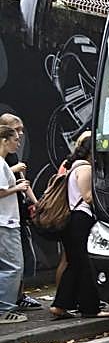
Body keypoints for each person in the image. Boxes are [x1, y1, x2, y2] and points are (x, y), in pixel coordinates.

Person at [48, 134, 109, 320]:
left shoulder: (72, 165)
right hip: (81, 218)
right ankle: (89, 308)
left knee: (74, 265)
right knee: (85, 265)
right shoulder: (85, 168)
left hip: (71, 220)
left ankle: (61, 305)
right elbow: (88, 197)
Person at [0, 113, 41, 310]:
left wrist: (35, 202)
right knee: (13, 265)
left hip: (15, 214)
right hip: (6, 219)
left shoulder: (11, 156)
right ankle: (7, 306)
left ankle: (17, 296)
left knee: (20, 261)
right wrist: (14, 173)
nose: (20, 137)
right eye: (16, 132)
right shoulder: (2, 162)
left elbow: (23, 184)